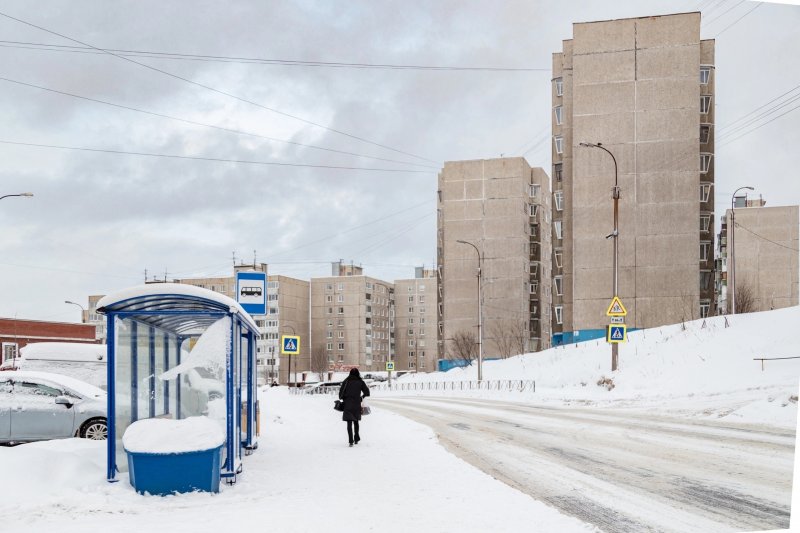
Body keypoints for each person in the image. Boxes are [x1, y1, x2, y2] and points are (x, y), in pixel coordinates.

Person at [338, 368, 370, 447]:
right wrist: (361, 398)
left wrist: (345, 398)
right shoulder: (360, 382)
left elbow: (340, 395)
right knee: (356, 422)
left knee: (349, 422)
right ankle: (356, 438)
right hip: (356, 404)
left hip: (347, 404)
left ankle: (350, 441)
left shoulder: (346, 381)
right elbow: (367, 392)